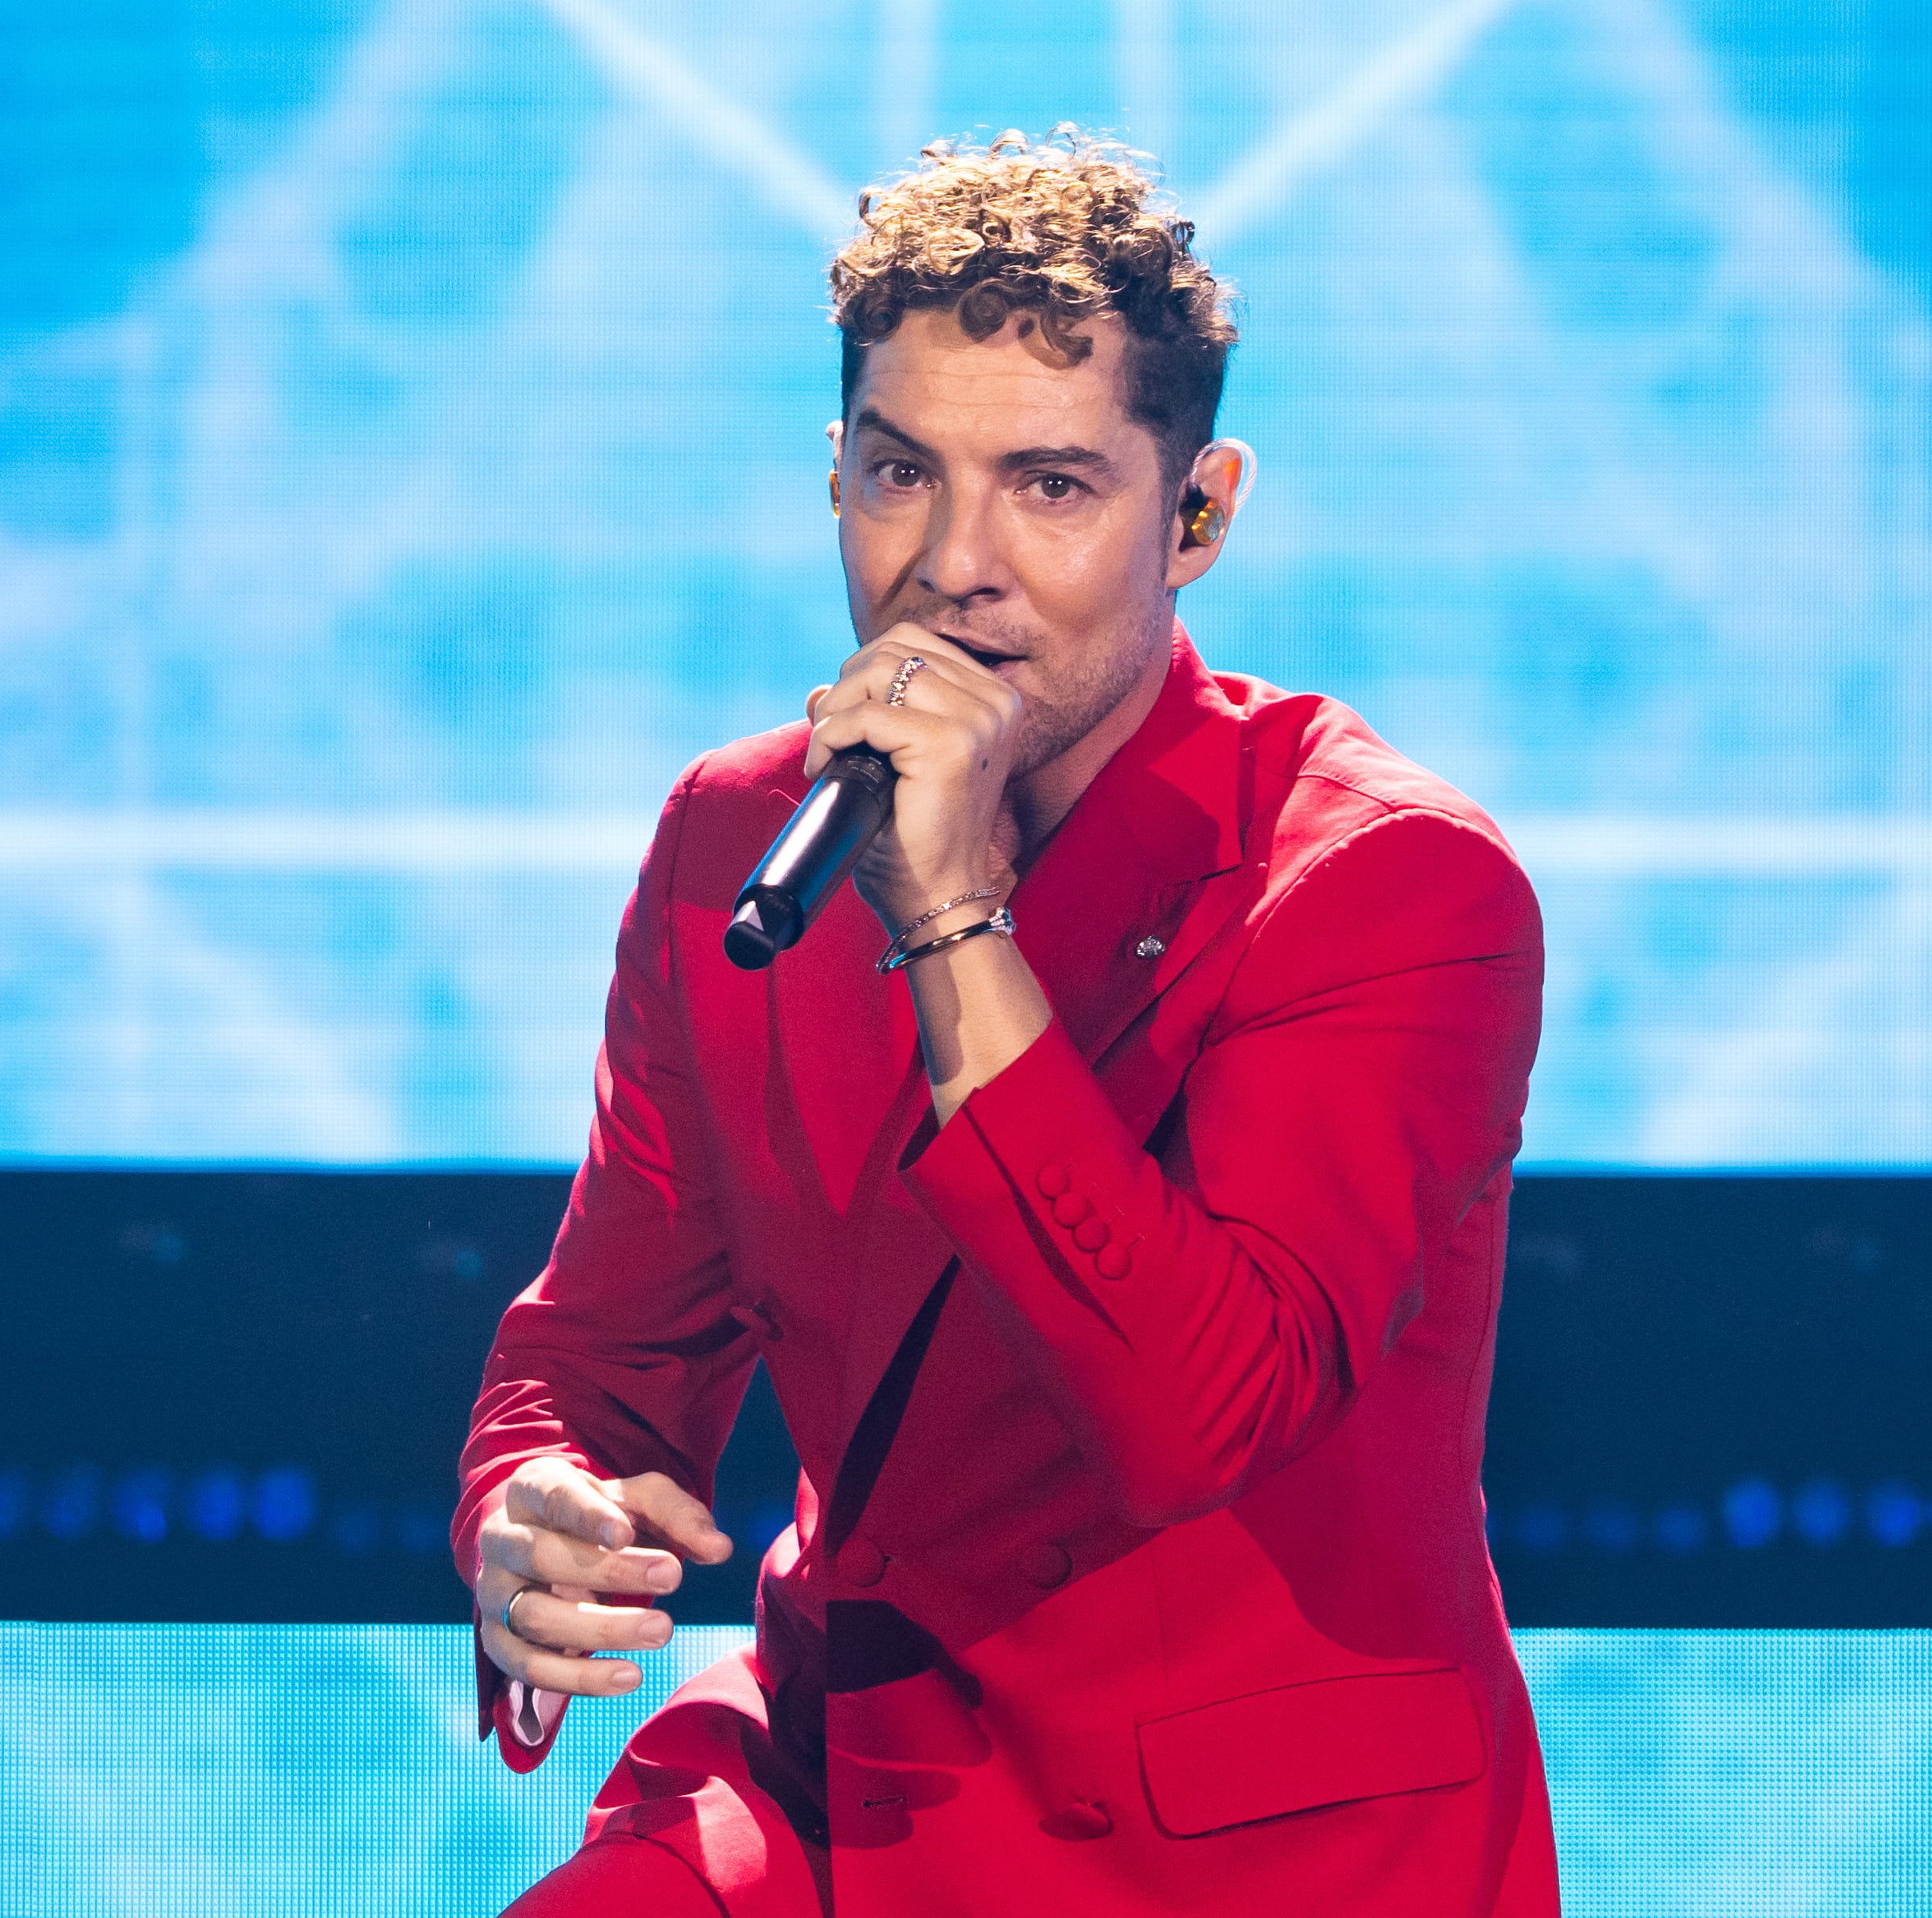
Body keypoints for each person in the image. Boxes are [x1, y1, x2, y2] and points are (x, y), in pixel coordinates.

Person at [457, 128, 1555, 1916]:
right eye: (901, 473)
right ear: (833, 479)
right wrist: (536, 1510)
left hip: (1245, 1856)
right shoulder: (736, 844)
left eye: (1047, 488)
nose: (952, 565)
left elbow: (1199, 1411)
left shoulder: (1383, 881)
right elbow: (597, 1353)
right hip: (842, 1790)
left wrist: (952, 918)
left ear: (1194, 514)